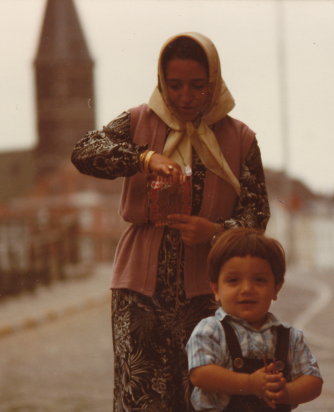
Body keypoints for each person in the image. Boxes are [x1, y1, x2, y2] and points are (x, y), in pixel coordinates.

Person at [71, 33, 270, 411]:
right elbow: (84, 151)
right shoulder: (137, 122)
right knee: (140, 398)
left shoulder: (240, 139)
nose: (185, 96)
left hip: (210, 295)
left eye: (198, 86)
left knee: (205, 396)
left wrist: (214, 231)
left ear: (214, 82)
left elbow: (257, 215)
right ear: (162, 82)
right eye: (174, 85)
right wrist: (144, 159)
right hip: (139, 291)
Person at [186, 228, 323, 411]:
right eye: (234, 280)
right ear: (216, 289)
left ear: (276, 289)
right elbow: (200, 373)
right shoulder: (210, 330)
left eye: (259, 280)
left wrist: (287, 392)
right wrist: (249, 383)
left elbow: (313, 380)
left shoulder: (289, 336)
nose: (247, 289)